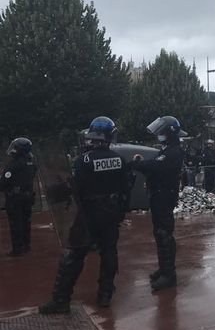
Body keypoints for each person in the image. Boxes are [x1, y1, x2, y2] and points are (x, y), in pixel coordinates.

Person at [39, 117, 130, 313]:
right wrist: (120, 213)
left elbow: (75, 189)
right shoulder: (119, 160)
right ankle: (105, 295)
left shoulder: (84, 160)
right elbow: (126, 189)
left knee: (74, 254)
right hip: (111, 213)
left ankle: (61, 300)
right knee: (109, 252)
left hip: (88, 214)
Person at [130, 116, 186, 290]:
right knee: (159, 234)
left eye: (162, 132)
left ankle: (169, 275)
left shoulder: (174, 151)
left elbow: (155, 166)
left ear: (170, 133)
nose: (159, 135)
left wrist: (135, 164)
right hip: (158, 195)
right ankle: (164, 269)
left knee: (164, 235)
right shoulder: (167, 148)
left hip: (164, 197)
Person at [0, 138, 37, 256]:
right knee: (26, 221)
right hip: (28, 196)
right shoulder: (31, 162)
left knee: (16, 223)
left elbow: (4, 181)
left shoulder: (14, 164)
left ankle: (18, 248)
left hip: (15, 198)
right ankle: (26, 245)